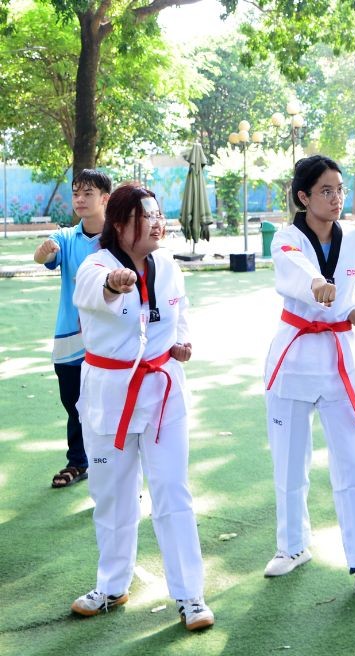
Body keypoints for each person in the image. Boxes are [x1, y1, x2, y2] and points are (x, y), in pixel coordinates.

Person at [70, 184, 214, 631]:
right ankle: (112, 586)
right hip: (109, 395)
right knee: (112, 496)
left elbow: (179, 311)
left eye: (157, 213)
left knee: (172, 491)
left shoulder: (168, 264)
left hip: (163, 391)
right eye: (144, 214)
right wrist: (115, 284)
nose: (157, 222)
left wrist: (183, 340)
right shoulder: (96, 264)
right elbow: (92, 291)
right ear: (119, 223)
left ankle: (191, 596)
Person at [263, 155, 355, 607]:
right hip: (295, 356)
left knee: (354, 462)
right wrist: (316, 283)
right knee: (289, 460)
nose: (336, 198)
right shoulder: (286, 237)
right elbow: (292, 267)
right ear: (303, 197)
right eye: (325, 191)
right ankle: (293, 545)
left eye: (339, 189)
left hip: (340, 358)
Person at [33, 169, 111, 488]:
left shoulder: (119, 239)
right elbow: (44, 257)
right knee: (74, 404)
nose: (79, 199)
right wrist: (43, 253)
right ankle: (78, 461)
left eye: (87, 193)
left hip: (108, 340)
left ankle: (110, 464)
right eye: (76, 193)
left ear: (105, 198)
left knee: (108, 405)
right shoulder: (64, 238)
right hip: (70, 340)